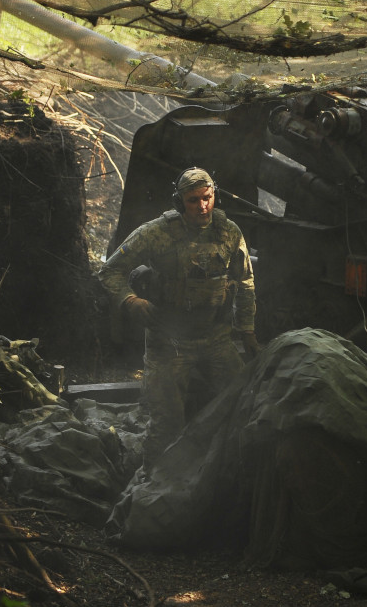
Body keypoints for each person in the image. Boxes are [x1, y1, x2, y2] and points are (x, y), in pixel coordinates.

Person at [96, 167, 258, 464]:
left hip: (216, 338)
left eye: (207, 198)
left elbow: (245, 282)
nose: (202, 206)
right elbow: (110, 271)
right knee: (166, 427)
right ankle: (152, 488)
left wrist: (247, 331)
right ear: (179, 201)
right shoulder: (157, 233)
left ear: (215, 196)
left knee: (244, 404)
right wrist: (130, 301)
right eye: (193, 200)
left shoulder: (229, 232)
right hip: (168, 342)